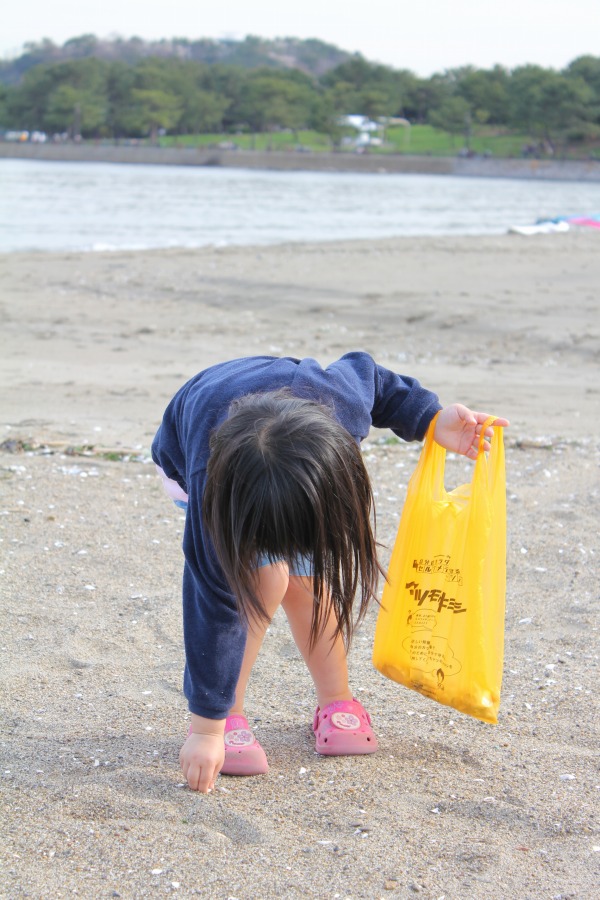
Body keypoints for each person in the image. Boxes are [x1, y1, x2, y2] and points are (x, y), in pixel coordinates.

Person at [151, 352, 508, 793]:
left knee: (308, 580)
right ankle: (230, 715)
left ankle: (336, 700)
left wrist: (431, 418)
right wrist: (205, 730)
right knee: (263, 581)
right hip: (198, 466)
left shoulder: (341, 401)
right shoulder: (211, 497)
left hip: (295, 465)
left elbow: (373, 377)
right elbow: (211, 610)